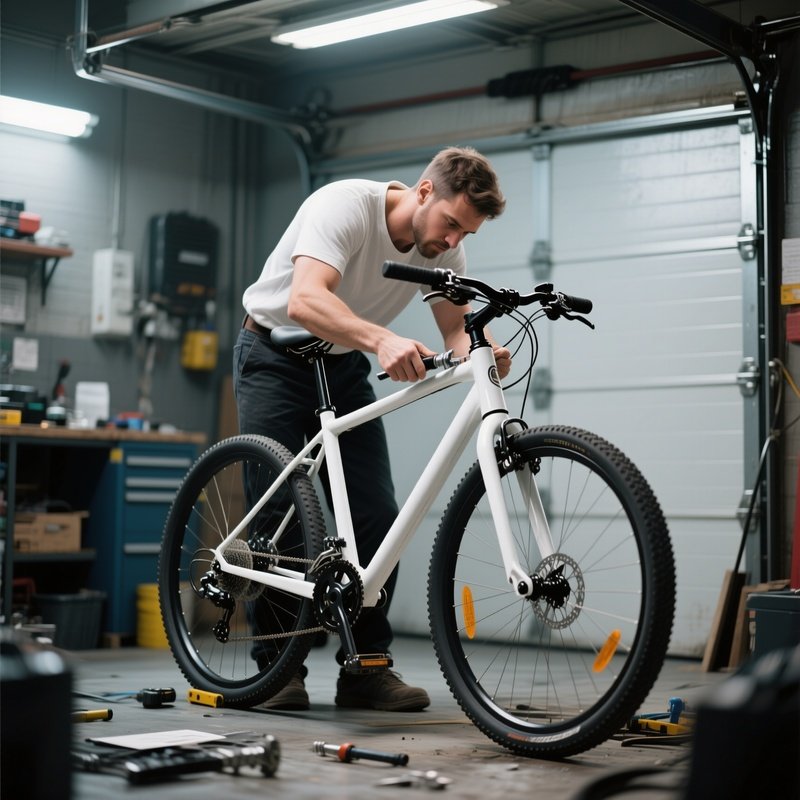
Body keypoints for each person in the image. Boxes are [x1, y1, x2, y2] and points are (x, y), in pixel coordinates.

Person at [233, 145, 510, 712]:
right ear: (424, 192)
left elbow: (456, 331)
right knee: (286, 515)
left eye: (467, 234)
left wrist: (481, 350)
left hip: (341, 362)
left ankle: (366, 668)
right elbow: (305, 299)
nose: (454, 242)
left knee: (378, 518)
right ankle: (278, 667)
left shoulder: (445, 253)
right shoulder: (345, 206)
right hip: (274, 354)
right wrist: (382, 339)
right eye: (452, 224)